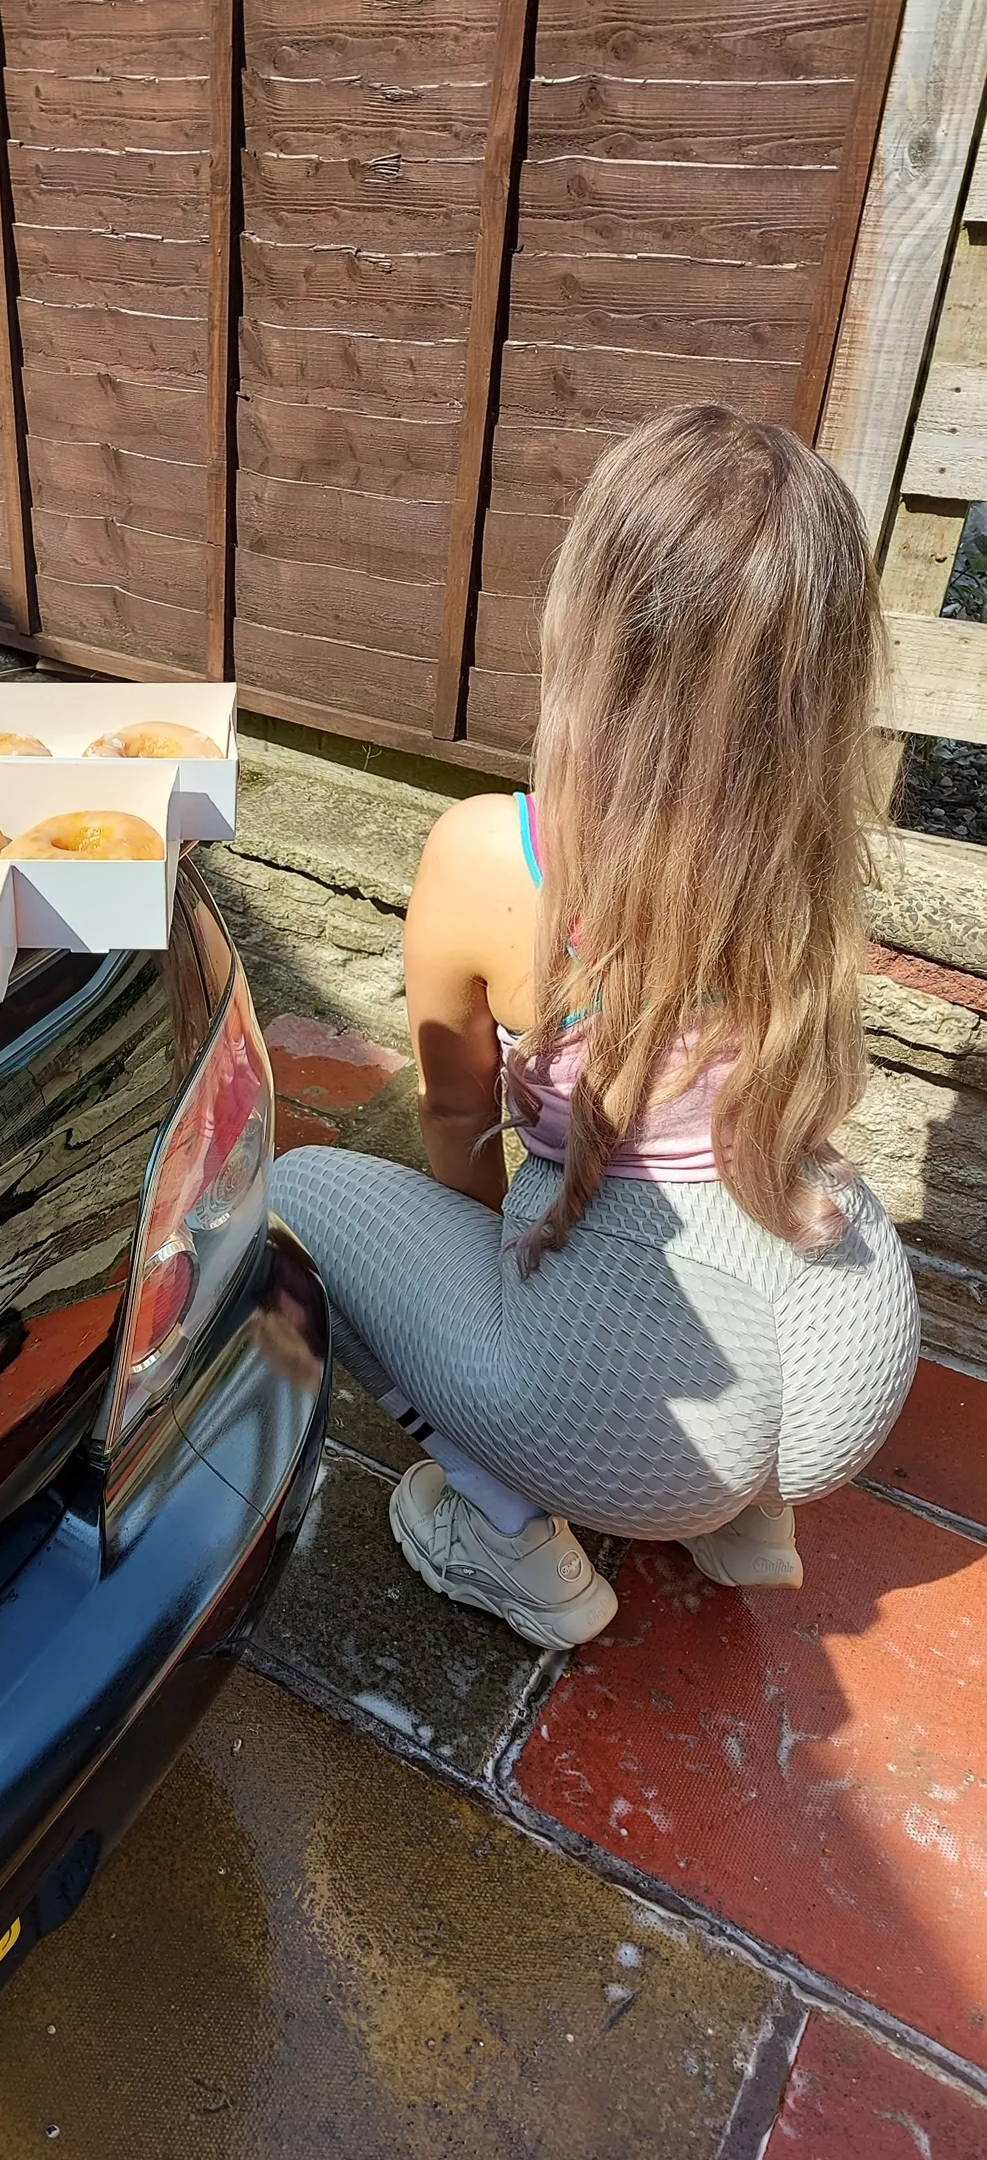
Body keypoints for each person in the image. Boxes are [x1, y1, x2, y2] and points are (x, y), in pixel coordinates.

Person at [272, 404, 921, 1649]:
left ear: (590, 631)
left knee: (293, 1196)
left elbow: (456, 1113)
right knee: (713, 1426)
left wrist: (480, 1319)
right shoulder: (818, 847)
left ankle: (512, 1537)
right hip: (846, 1341)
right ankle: (746, 1521)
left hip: (635, 1411)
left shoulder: (489, 853)